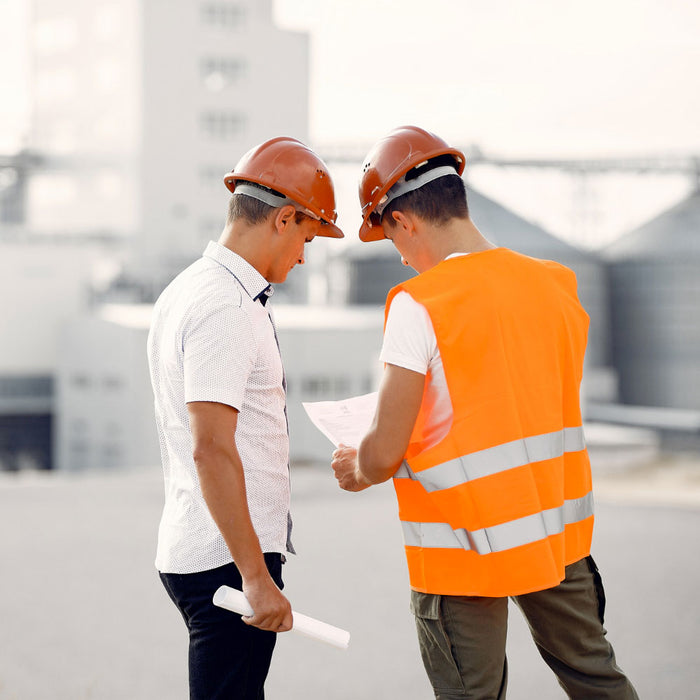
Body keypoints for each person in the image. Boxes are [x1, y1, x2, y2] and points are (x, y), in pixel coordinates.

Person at [331, 125, 638, 700]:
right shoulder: (557, 286)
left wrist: (360, 465)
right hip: (555, 532)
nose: (399, 258)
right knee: (597, 679)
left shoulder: (420, 304)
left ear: (403, 220)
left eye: (391, 240)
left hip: (460, 545)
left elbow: (384, 450)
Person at [147, 136, 343, 699]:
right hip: (227, 561)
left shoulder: (189, 289)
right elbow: (211, 446)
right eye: (307, 237)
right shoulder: (227, 307)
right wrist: (256, 578)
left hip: (212, 547)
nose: (305, 255)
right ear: (284, 219)